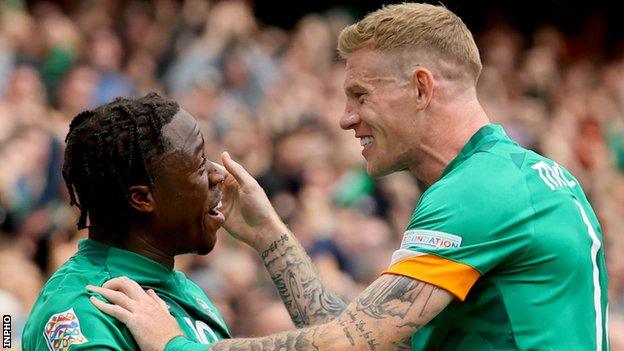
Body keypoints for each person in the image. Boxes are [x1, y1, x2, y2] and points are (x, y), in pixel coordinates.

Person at [87, 3, 610, 350]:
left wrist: (179, 347)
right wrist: (273, 239)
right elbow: (369, 335)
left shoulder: (478, 193)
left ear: (422, 88)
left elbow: (352, 343)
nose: (345, 117)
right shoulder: (520, 177)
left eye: (360, 94)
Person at [22, 93, 231, 350]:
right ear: (142, 197)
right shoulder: (86, 311)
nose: (218, 173)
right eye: (199, 165)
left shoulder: (179, 287)